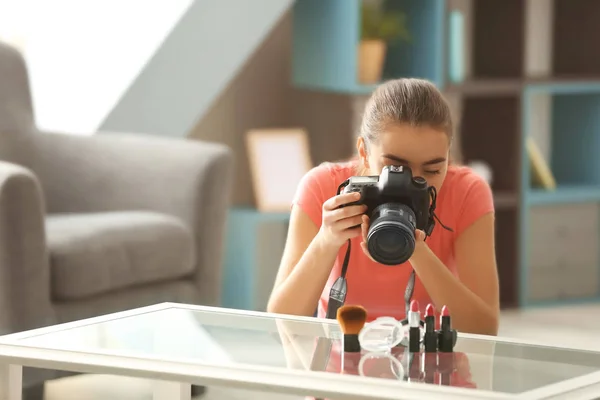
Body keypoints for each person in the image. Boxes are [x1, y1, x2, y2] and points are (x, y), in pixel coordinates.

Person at [267, 78, 499, 335]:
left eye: (433, 170)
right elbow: (283, 321)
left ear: (447, 159)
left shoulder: (467, 193)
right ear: (363, 152)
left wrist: (416, 249)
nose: (409, 182)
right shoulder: (324, 187)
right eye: (395, 167)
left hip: (434, 364)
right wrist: (326, 241)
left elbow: (485, 330)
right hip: (339, 363)